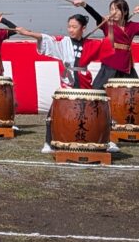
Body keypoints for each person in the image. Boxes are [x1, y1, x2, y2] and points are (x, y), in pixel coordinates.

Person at [15, 14, 117, 154]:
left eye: (74, 27)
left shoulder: (90, 44)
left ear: (83, 28)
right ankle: (48, 142)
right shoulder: (64, 42)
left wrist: (110, 25)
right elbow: (45, 38)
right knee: (54, 111)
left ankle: (105, 141)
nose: (71, 30)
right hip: (68, 81)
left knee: (96, 111)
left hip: (84, 81)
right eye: (69, 27)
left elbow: (109, 42)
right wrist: (27, 33)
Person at [73, 0, 139, 89]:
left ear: (125, 12)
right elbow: (96, 15)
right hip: (109, 66)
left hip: (126, 67)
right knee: (98, 93)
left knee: (134, 93)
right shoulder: (107, 24)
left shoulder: (132, 26)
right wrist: (84, 5)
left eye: (117, 9)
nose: (114, 12)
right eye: (112, 9)